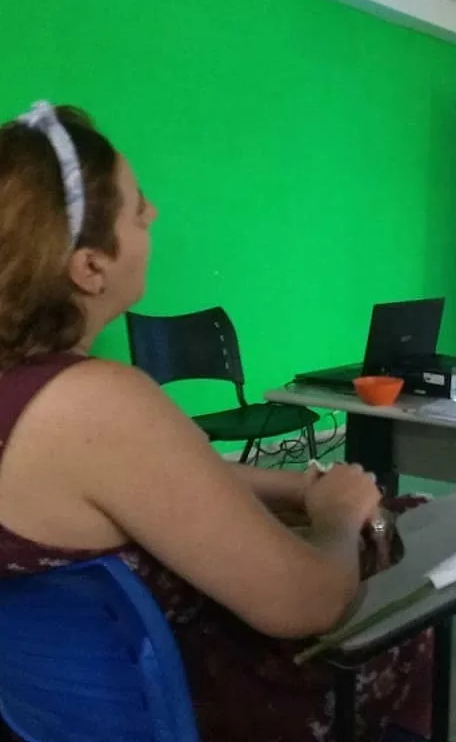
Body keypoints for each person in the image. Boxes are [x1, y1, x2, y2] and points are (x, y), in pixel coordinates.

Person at [0, 103, 432, 741]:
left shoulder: (31, 395)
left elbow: (153, 484)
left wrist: (289, 488)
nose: (152, 214)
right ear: (89, 266)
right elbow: (305, 602)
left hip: (57, 717)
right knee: (402, 540)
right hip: (192, 701)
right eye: (135, 203)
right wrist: (337, 515)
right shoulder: (95, 400)